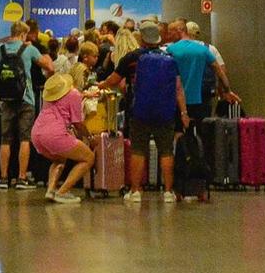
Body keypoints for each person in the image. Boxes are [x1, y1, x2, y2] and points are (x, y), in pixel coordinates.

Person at [99, 21, 184, 204]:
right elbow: (178, 88)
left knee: (138, 150)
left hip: (140, 111)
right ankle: (168, 192)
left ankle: (136, 191)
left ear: (142, 38)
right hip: (165, 112)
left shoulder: (132, 57)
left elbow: (114, 80)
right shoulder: (169, 57)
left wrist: (101, 85)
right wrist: (183, 112)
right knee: (166, 151)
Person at [0, 22, 54, 190]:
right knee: (25, 138)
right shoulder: (29, 49)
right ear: (24, 34)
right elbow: (49, 67)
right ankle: (22, 178)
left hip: (6, 100)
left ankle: (3, 178)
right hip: (26, 99)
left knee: (5, 139)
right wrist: (44, 55)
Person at [31, 71, 93, 204]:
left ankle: (51, 190)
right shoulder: (74, 94)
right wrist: (89, 136)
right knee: (88, 158)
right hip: (56, 134)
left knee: (59, 159)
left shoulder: (49, 97)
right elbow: (77, 123)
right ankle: (62, 192)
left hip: (37, 133)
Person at [166, 20, 238, 122]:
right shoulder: (203, 49)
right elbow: (220, 71)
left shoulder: (170, 50)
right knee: (203, 130)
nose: (169, 36)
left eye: (170, 32)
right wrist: (227, 90)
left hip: (177, 100)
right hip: (201, 98)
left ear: (179, 30)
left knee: (180, 131)